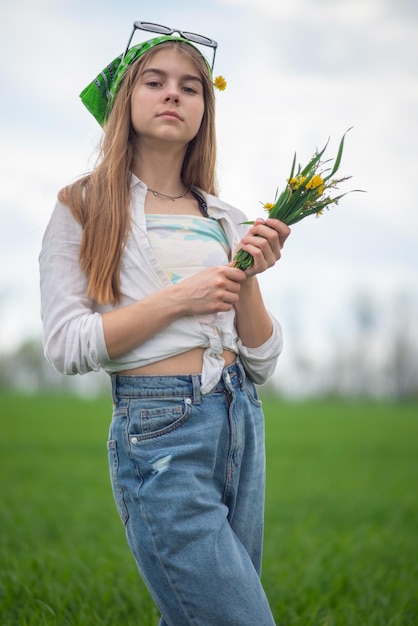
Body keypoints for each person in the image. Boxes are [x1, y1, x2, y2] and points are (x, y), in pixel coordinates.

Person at [39, 20, 290, 626]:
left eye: (190, 86)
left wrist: (247, 275)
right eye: (155, 81)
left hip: (239, 420)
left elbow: (261, 359)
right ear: (125, 100)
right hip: (160, 431)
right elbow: (66, 345)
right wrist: (179, 301)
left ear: (205, 110)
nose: (174, 94)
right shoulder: (83, 205)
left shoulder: (223, 217)